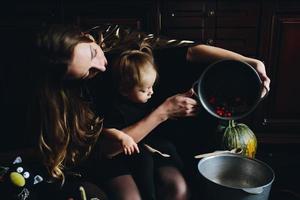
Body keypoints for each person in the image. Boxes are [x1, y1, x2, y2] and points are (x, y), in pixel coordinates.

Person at [20, 23, 270, 200]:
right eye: (89, 71)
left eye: (94, 53)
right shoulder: (69, 98)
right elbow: (104, 150)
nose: (102, 66)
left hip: (153, 143)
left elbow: (189, 51)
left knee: (178, 189)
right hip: (111, 154)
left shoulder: (118, 46)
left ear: (86, 36)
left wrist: (248, 62)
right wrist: (164, 111)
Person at [100, 43, 188, 200]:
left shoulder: (149, 97)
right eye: (144, 89)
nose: (151, 92)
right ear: (124, 90)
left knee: (173, 181)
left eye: (152, 86)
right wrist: (123, 137)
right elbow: (105, 129)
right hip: (121, 153)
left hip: (149, 146)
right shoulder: (115, 107)